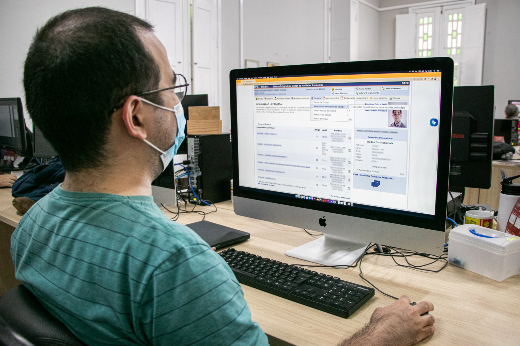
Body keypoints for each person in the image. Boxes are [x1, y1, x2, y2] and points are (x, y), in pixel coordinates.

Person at [11, 7, 435, 346]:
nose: (178, 99)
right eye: (170, 88)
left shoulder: (32, 224)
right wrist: (385, 335)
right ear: (137, 115)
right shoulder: (176, 265)